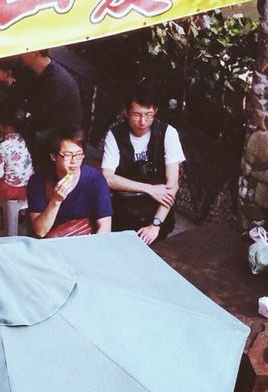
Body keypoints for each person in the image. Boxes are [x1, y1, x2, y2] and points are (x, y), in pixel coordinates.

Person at [100, 84, 184, 245]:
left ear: (156, 112)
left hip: (157, 214)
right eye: (136, 115)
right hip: (124, 210)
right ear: (126, 112)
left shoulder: (168, 133)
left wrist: (155, 225)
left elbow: (172, 185)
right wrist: (148, 188)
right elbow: (107, 177)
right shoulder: (115, 134)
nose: (143, 121)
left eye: (149, 115)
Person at [27, 126, 112, 238]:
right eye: (67, 155)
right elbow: (40, 231)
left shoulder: (95, 179)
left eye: (78, 154)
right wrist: (56, 201)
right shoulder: (37, 181)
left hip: (86, 240)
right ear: (53, 156)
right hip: (52, 243)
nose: (74, 161)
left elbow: (105, 227)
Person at [17, 50, 82, 153]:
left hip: (63, 131)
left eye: (25, 50)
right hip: (49, 124)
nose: (20, 54)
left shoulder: (56, 79)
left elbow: (38, 110)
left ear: (35, 53)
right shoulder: (41, 72)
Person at [0, 99, 33, 204]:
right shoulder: (26, 138)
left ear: (7, 127)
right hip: (29, 182)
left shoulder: (3, 147)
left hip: (12, 188)